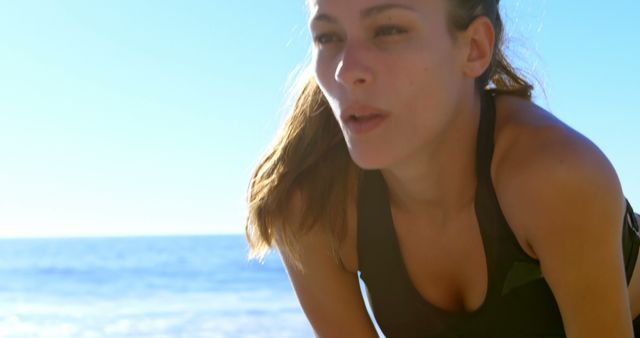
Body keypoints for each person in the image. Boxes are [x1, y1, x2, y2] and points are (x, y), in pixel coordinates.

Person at [245, 0, 640, 337]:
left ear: (474, 48)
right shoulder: (309, 207)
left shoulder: (554, 176)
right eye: (328, 37)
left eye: (389, 29)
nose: (346, 71)